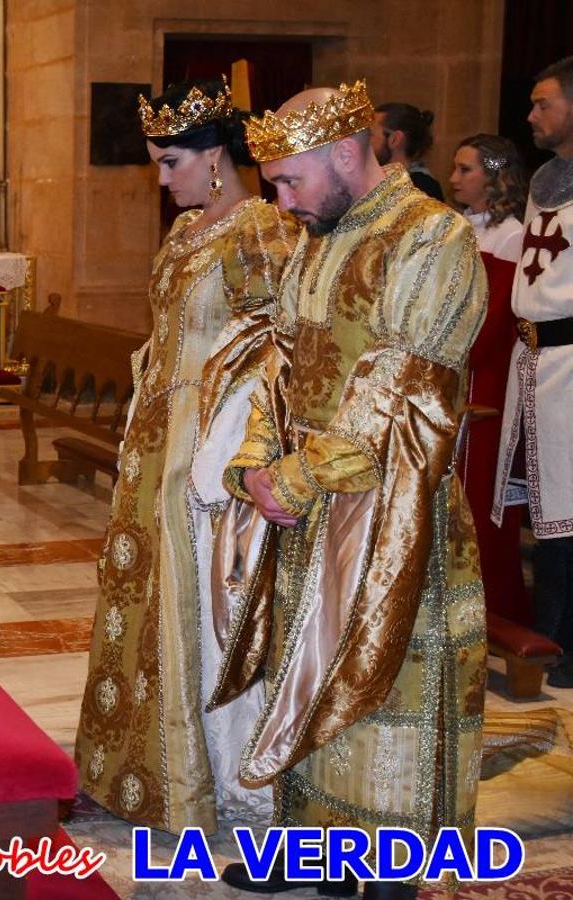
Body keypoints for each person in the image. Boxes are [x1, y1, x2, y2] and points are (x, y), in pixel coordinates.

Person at [215, 82, 486, 900]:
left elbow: (401, 385)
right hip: (307, 508)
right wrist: (255, 461)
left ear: (343, 153)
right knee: (311, 677)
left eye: (290, 181)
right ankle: (321, 865)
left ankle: (393, 882)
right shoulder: (317, 234)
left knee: (383, 687)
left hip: (396, 516)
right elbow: (282, 366)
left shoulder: (433, 238)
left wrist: (295, 478)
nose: (283, 202)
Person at [74, 79, 297, 836]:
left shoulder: (259, 231)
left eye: (170, 163)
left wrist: (226, 455)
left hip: (209, 451)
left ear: (214, 159)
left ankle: (205, 779)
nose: (161, 179)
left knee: (202, 612)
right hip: (154, 440)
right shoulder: (185, 233)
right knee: (140, 599)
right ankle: (130, 770)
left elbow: (276, 355)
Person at [493, 56, 573, 688]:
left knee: (567, 513)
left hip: (570, 364)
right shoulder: (546, 177)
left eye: (543, 102)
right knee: (544, 512)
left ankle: (565, 644)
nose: (531, 115)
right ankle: (547, 635)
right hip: (532, 360)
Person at [450, 134, 530, 624]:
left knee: (480, 496)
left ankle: (493, 612)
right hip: (451, 373)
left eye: (465, 170)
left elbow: (495, 318)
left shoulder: (512, 236)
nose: (454, 178)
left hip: (486, 379)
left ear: (495, 176)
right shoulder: (457, 227)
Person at [371, 101, 445, 200]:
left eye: (369, 135)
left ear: (395, 139)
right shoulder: (377, 180)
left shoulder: (422, 187)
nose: (363, 144)